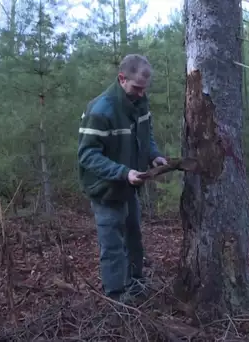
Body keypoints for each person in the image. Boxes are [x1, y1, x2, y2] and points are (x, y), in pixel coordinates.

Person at [77, 54, 167, 302]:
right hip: (105, 190)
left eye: (144, 89)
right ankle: (116, 299)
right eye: (136, 88)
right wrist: (123, 173)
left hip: (129, 187)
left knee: (134, 238)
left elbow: (145, 135)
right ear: (121, 78)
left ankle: (136, 285)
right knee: (113, 246)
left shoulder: (140, 102)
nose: (140, 94)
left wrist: (154, 155)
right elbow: (87, 155)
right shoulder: (101, 110)